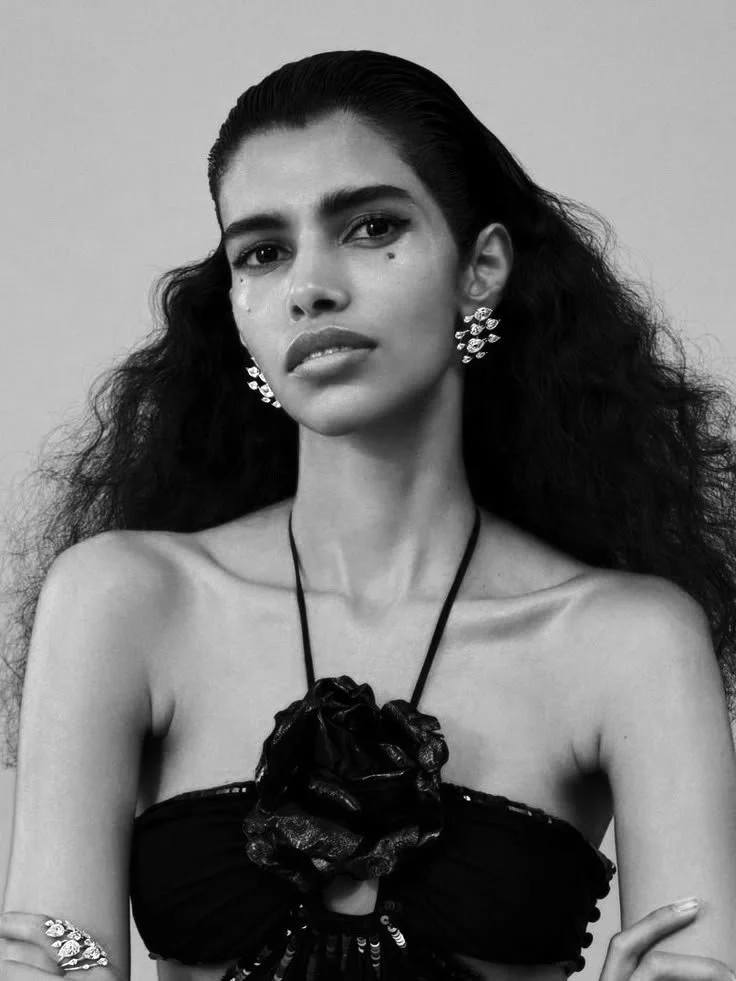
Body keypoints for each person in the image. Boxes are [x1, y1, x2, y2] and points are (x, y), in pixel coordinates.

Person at [1, 48, 736, 981]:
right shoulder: (122, 600)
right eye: (263, 252)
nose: (310, 285)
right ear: (237, 309)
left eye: (370, 226)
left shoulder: (631, 640)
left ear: (482, 270)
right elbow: (53, 959)